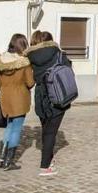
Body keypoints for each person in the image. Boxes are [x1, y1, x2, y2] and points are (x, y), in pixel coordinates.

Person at [25, 30, 71, 176]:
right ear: (51, 41)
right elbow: (68, 69)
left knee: (46, 129)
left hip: (40, 96)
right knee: (51, 132)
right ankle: (45, 166)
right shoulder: (58, 53)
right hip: (57, 94)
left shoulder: (31, 56)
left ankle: (49, 159)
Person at [0, 33, 35, 171]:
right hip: (20, 99)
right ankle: (9, 161)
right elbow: (30, 82)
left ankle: (1, 157)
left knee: (9, 127)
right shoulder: (24, 62)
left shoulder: (1, 61)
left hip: (6, 97)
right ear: (22, 45)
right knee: (16, 129)